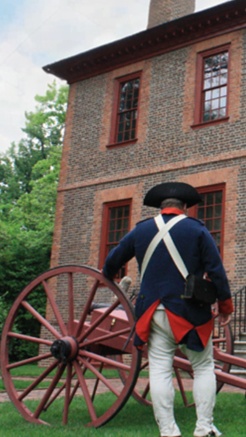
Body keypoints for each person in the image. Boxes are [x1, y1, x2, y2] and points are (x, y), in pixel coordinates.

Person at [103, 182, 233, 437]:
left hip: (152, 311)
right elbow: (216, 271)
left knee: (160, 369)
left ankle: (168, 431)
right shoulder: (196, 230)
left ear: (161, 208)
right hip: (189, 311)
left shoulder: (141, 230)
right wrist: (225, 305)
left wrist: (108, 274)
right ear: (184, 207)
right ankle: (204, 428)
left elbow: (112, 262)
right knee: (203, 367)